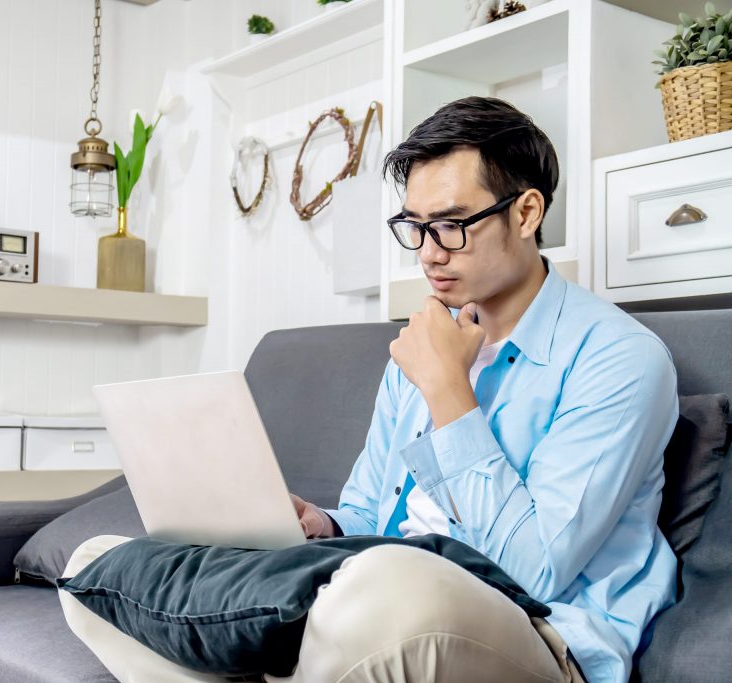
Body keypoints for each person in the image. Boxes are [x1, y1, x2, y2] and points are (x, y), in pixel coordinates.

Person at [60, 97, 679, 683]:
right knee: (95, 568)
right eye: (415, 227)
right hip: (368, 601)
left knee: (382, 588)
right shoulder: (418, 343)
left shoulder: (619, 359)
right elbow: (372, 514)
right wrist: (322, 527)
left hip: (537, 632)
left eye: (453, 224)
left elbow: (535, 570)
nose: (430, 254)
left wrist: (447, 390)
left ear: (526, 213)